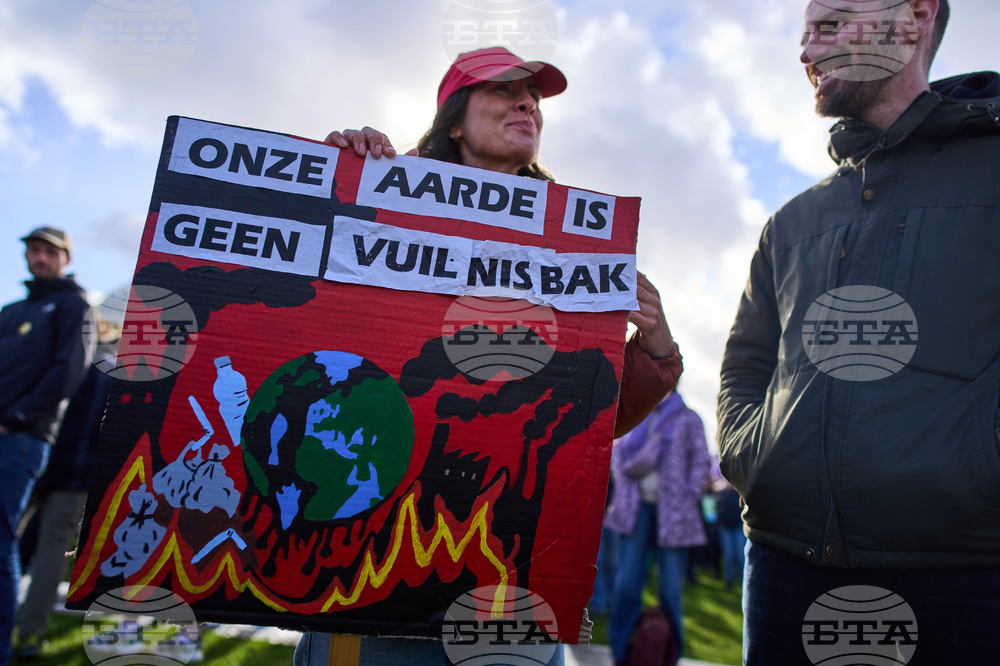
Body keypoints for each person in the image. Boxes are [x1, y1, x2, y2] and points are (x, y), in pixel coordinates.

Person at [295, 47, 684, 665]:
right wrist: (337, 175)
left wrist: (656, 347)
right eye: (503, 90)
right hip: (368, 565)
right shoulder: (381, 197)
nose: (526, 103)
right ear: (454, 119)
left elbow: (591, 424)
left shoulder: (576, 241)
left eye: (532, 96)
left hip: (509, 573)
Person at [718, 0, 1000, 662]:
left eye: (829, 25)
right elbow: (745, 362)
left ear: (914, 17)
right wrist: (752, 457)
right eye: (803, 33)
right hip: (786, 570)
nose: (805, 50)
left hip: (969, 578)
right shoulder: (790, 222)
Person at [0, 227, 93, 665]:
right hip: (32, 447)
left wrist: (16, 419)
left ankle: (26, 637)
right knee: (10, 544)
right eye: (32, 251)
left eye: (48, 252)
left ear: (65, 258)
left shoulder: (75, 310)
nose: (38, 258)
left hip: (47, 453)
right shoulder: (16, 311)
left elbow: (65, 378)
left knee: (38, 551)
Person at [12, 314, 117, 660]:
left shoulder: (63, 358)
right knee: (50, 554)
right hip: (75, 475)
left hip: (34, 458)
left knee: (11, 540)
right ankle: (30, 634)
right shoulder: (114, 375)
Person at [603, 391, 711, 663]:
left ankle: (670, 656)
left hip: (675, 514)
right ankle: (621, 653)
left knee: (670, 592)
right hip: (634, 509)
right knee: (626, 584)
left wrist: (688, 494)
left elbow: (701, 462)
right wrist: (622, 479)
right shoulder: (635, 412)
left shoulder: (688, 418)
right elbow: (617, 450)